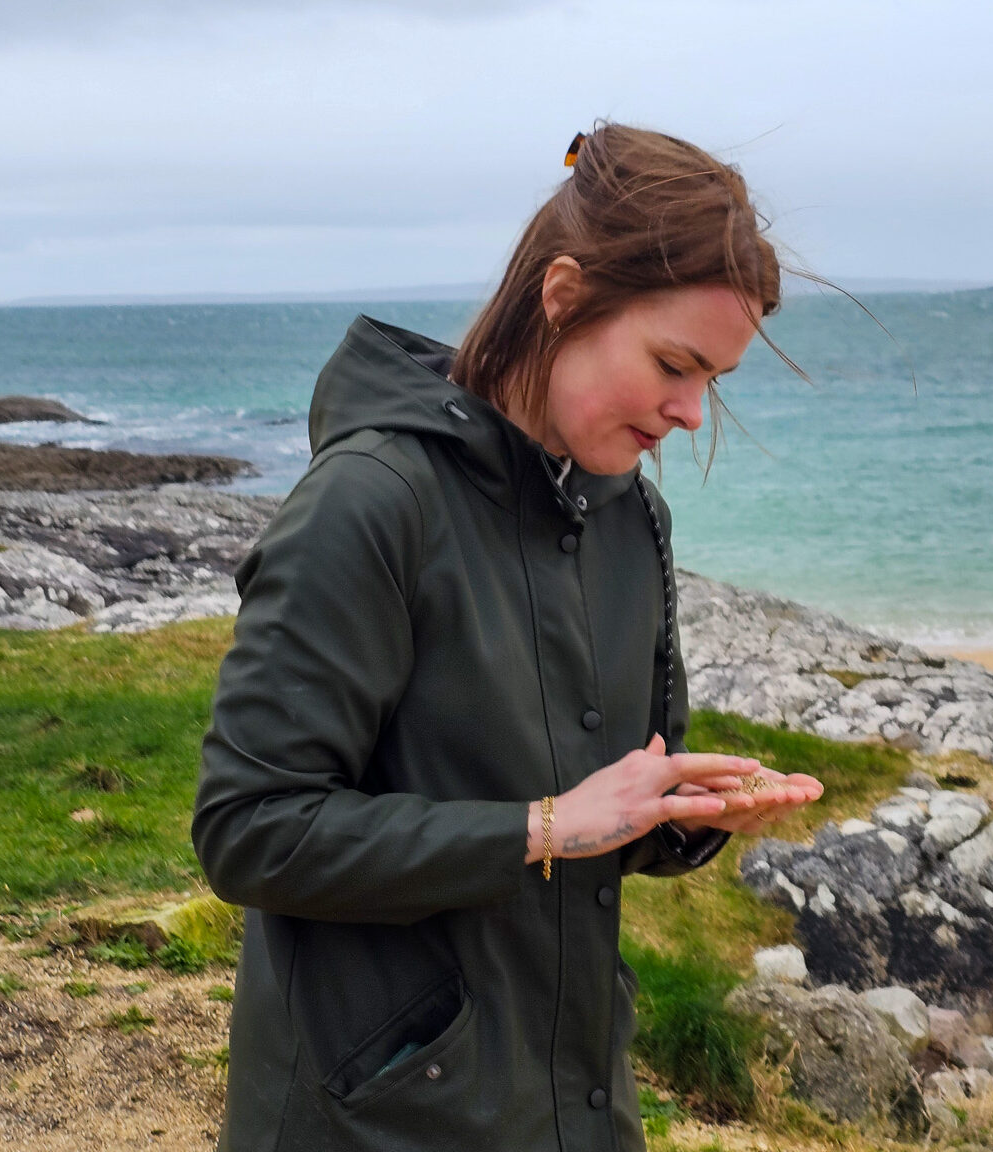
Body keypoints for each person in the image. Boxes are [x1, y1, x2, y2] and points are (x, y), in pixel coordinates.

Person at [191, 124, 825, 1152]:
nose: (693, 413)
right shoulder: (370, 504)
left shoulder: (629, 519)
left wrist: (678, 816)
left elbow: (602, 804)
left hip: (570, 1106)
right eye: (673, 363)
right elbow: (251, 830)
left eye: (715, 378)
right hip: (371, 1121)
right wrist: (539, 828)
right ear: (564, 296)